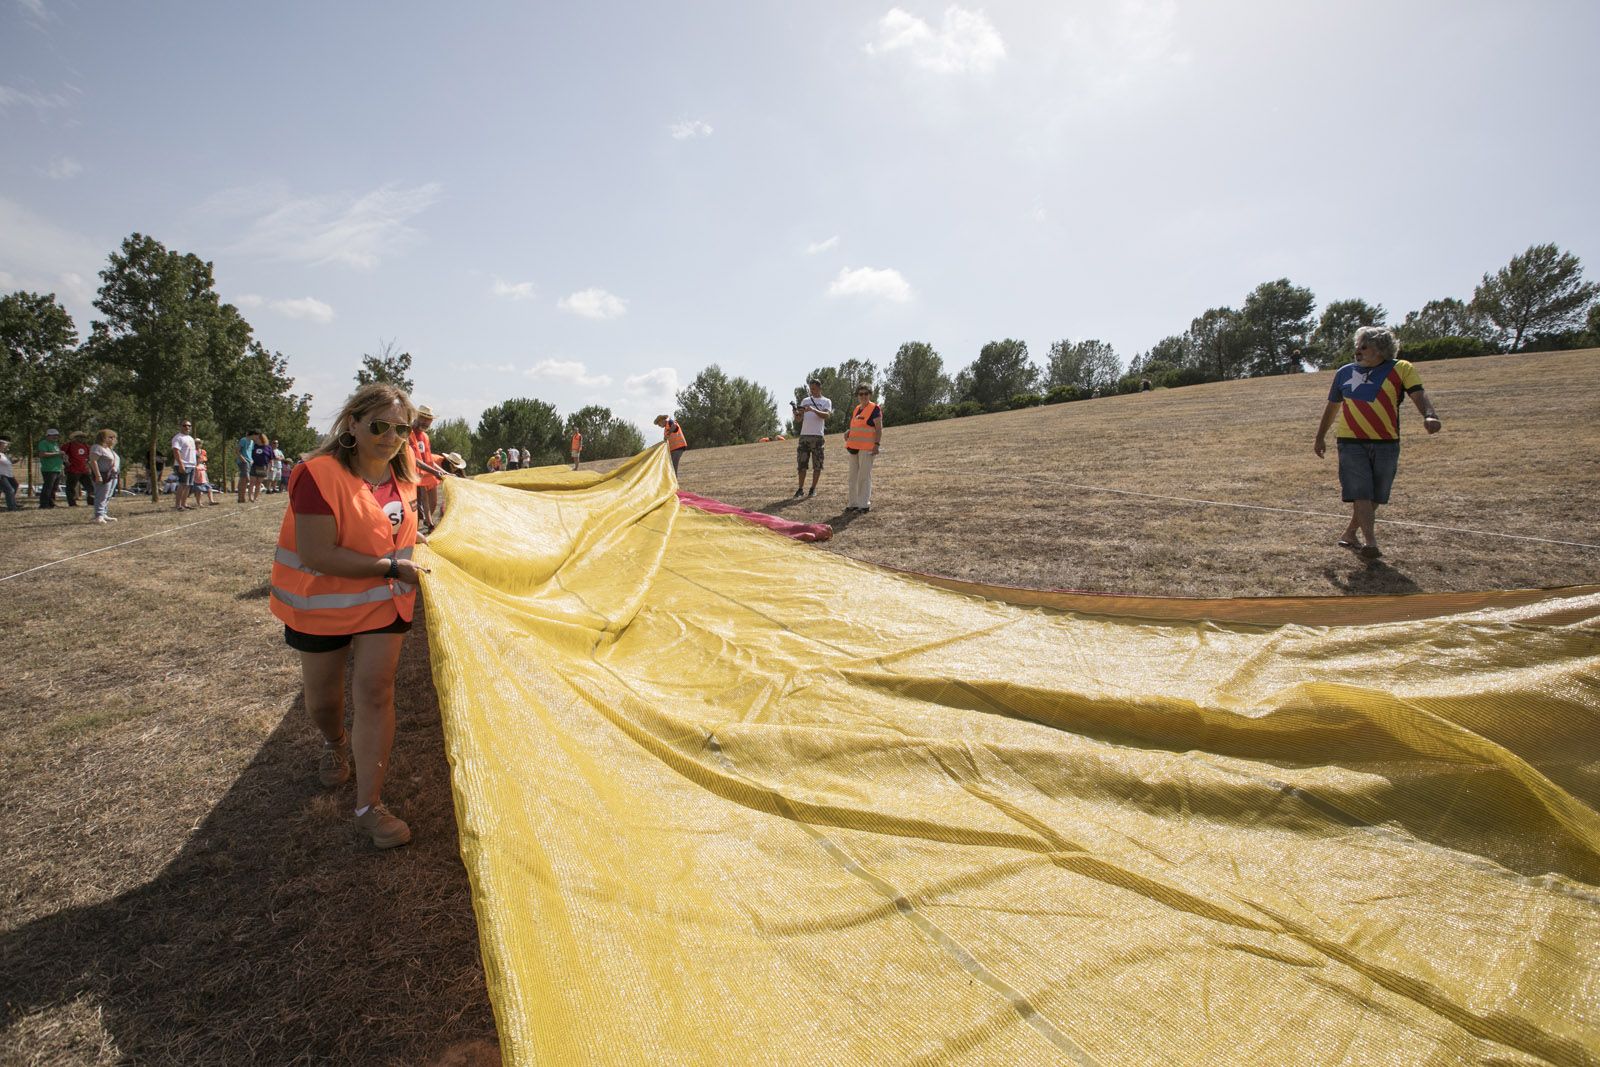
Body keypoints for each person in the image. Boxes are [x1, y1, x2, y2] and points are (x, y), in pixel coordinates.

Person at [269, 382, 429, 849]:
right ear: (353, 424)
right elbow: (318, 553)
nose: (391, 436)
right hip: (321, 608)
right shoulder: (315, 474)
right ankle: (334, 742)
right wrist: (394, 568)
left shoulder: (407, 477)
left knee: (377, 693)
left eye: (401, 428)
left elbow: (402, 537)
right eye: (379, 425)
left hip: (385, 602)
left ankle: (369, 806)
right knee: (323, 703)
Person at [1313, 326, 1442, 559]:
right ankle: (1370, 542)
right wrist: (1320, 436)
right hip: (1351, 441)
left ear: (1380, 349)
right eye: (1357, 346)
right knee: (1361, 491)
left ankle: (1351, 532)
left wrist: (1429, 415)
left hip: (1386, 442)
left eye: (1364, 346)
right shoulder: (1344, 372)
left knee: (1376, 494)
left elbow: (1418, 394)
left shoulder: (1401, 369)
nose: (1357, 351)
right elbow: (1332, 407)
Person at [844, 384, 883, 513]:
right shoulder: (856, 409)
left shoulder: (874, 408)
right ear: (857, 396)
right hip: (854, 447)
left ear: (870, 394)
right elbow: (858, 425)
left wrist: (877, 445)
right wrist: (849, 431)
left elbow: (878, 428)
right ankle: (853, 503)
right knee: (852, 477)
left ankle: (863, 505)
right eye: (861, 394)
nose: (863, 396)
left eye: (866, 393)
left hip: (867, 448)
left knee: (864, 477)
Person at [791, 378, 832, 498]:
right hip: (804, 436)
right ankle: (800, 489)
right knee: (801, 465)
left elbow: (826, 415)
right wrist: (796, 414)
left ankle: (813, 489)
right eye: (810, 389)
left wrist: (813, 409)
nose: (812, 391)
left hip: (818, 437)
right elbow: (799, 419)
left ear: (819, 388)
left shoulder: (826, 401)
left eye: (814, 388)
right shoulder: (805, 400)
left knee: (817, 465)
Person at [409, 406, 447, 530]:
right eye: (423, 418)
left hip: (423, 477)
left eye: (428, 419)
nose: (425, 422)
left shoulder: (425, 437)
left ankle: (428, 523)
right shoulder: (408, 433)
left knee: (429, 502)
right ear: (417, 416)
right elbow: (415, 461)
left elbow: (428, 459)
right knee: (413, 510)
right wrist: (435, 472)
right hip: (409, 478)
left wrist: (444, 472)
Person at [90, 429, 121, 523]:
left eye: (114, 437)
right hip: (103, 475)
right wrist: (98, 475)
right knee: (101, 496)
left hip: (112, 476)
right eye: (110, 437)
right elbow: (93, 461)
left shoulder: (109, 449)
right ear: (103, 438)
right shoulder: (97, 447)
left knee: (108, 495)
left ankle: (104, 513)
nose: (113, 439)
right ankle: (98, 515)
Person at [171, 419, 197, 511]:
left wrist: (195, 464)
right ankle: (178, 505)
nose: (187, 427)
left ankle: (184, 504)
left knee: (188, 485)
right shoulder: (178, 438)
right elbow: (176, 451)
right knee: (182, 485)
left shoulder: (190, 438)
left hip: (191, 465)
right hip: (183, 464)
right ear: (180, 426)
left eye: (189, 426)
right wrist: (181, 464)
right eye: (185, 425)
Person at [63, 431, 93, 507]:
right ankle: (72, 503)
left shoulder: (86, 446)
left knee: (90, 486)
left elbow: (90, 456)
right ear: (75, 438)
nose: (82, 439)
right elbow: (62, 453)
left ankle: (91, 501)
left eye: (83, 437)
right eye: (80, 437)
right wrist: (65, 461)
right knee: (71, 487)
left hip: (84, 470)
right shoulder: (68, 445)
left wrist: (89, 463)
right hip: (73, 470)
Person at [36, 428, 64, 508]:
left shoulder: (55, 444)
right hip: (49, 469)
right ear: (48, 436)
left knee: (54, 488)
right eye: (54, 435)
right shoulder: (44, 443)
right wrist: (57, 453)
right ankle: (44, 504)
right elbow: (42, 454)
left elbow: (57, 454)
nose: (56, 437)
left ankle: (51, 503)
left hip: (57, 468)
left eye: (57, 435)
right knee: (48, 487)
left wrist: (61, 456)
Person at [251, 432, 273, 498]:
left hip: (263, 467)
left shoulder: (268, 447)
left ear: (262, 439)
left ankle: (256, 497)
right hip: (254, 466)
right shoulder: (253, 446)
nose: (256, 439)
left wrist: (270, 468)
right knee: (252, 482)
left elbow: (270, 459)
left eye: (258, 438)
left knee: (258, 483)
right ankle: (250, 497)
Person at [0, 437, 18, 512]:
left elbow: (7, 463)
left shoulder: (3, 454)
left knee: (15, 485)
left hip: (8, 475)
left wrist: (15, 461)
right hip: (1, 475)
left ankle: (13, 503)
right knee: (10, 490)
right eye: (5, 444)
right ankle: (12, 507)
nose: (6, 446)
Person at [237, 430, 256, 502]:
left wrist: (251, 460)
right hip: (243, 462)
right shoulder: (243, 440)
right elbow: (237, 450)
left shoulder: (252, 442)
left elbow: (249, 452)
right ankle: (240, 497)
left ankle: (242, 497)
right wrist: (243, 460)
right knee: (244, 479)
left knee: (245, 480)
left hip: (249, 462)